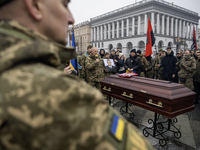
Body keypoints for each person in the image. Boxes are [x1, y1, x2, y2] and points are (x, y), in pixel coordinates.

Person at [0, 0, 154, 150]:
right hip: (91, 80)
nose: (71, 18)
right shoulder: (57, 92)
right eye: (64, 4)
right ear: (35, 5)